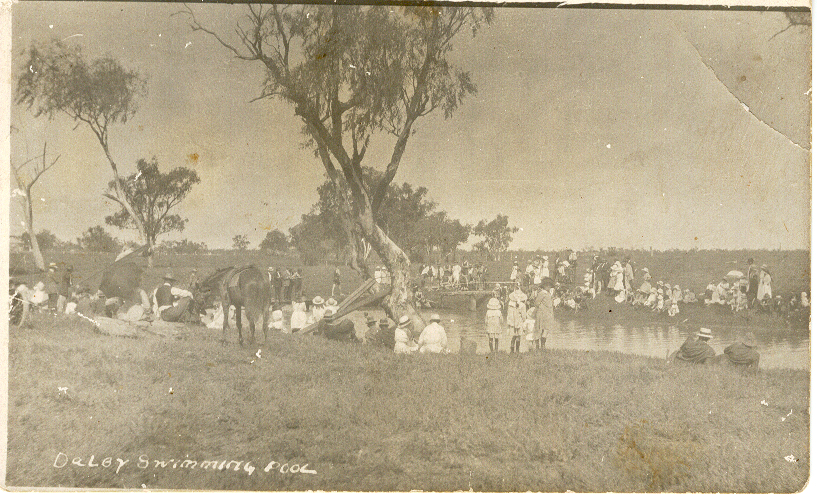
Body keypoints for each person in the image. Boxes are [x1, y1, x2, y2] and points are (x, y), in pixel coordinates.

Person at [533, 279, 555, 351]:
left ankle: (543, 346)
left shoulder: (548, 293)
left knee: (545, 329)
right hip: (542, 313)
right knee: (540, 328)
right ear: (544, 286)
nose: (548, 287)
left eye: (549, 286)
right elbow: (537, 303)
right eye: (547, 285)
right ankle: (540, 346)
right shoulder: (542, 293)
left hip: (548, 313)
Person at [507, 288, 527, 354]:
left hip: (512, 322)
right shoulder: (522, 305)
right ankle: (517, 350)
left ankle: (512, 350)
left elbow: (509, 314)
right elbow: (524, 316)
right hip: (519, 322)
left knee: (513, 336)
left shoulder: (510, 304)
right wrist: (524, 321)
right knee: (518, 336)